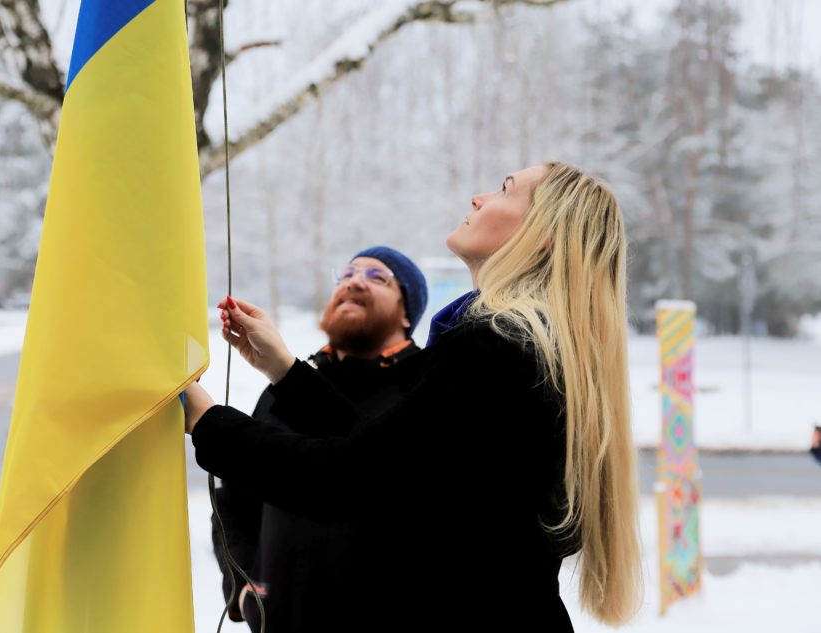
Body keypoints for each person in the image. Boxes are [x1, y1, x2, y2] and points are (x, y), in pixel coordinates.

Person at [185, 161, 642, 631]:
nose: (478, 198)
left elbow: (344, 478)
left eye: (505, 190)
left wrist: (206, 419)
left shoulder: (494, 347)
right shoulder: (530, 346)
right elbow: (391, 461)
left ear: (542, 235)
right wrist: (282, 368)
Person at [213, 246, 428, 632]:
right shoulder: (283, 388)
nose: (354, 281)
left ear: (407, 311)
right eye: (345, 275)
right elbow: (233, 501)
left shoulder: (426, 388)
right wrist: (242, 587)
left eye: (377, 277)